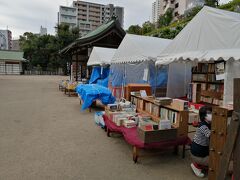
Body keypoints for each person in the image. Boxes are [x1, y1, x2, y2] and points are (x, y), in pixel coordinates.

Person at [190, 106, 212, 178]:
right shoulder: (203, 125)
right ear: (204, 116)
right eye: (209, 113)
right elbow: (210, 135)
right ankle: (196, 166)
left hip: (202, 148)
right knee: (215, 160)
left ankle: (199, 164)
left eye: (211, 112)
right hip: (198, 150)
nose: (211, 114)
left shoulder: (208, 123)